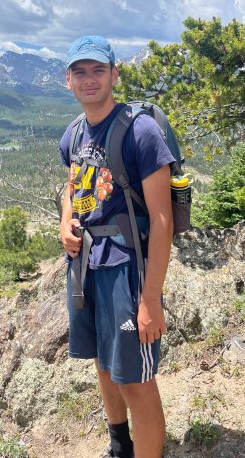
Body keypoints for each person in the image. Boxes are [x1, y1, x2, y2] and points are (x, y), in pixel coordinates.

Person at [59, 35, 174, 458]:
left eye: (98, 70)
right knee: (104, 364)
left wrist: (150, 298)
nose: (89, 80)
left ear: (114, 75)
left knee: (135, 381)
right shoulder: (72, 134)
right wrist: (64, 221)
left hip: (129, 267)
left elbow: (161, 220)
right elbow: (72, 184)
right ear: (67, 80)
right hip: (86, 266)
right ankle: (119, 445)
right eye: (80, 72)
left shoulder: (139, 131)